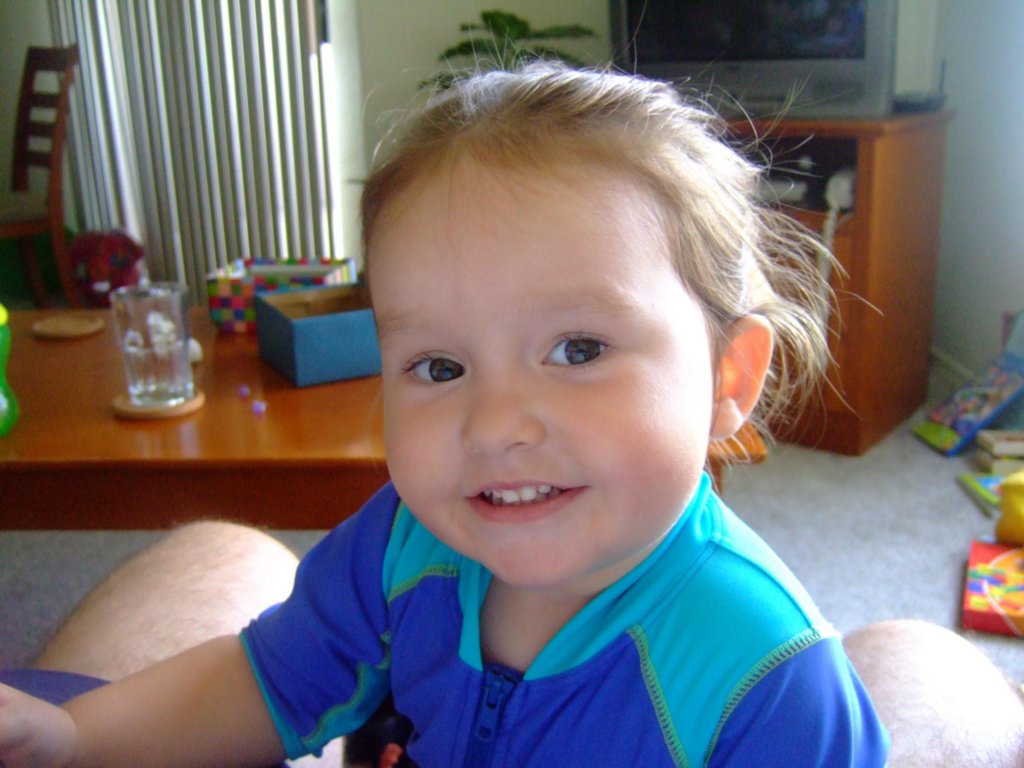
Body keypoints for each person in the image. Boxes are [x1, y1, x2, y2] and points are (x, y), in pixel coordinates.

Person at [0, 62, 1017, 767]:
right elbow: (267, 680)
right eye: (438, 365)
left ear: (727, 378)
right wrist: (83, 736)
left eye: (577, 350)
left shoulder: (770, 684)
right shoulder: (400, 546)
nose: (494, 424)